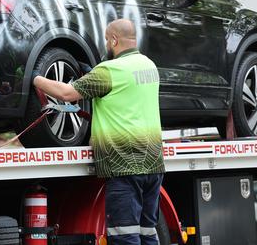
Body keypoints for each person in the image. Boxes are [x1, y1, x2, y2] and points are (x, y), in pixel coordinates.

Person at [33, 19, 165, 245]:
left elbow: (66, 93)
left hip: (125, 166)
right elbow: (124, 96)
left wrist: (35, 78)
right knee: (147, 233)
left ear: (114, 39)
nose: (106, 43)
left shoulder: (110, 71)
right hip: (153, 165)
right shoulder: (149, 66)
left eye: (106, 39)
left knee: (124, 237)